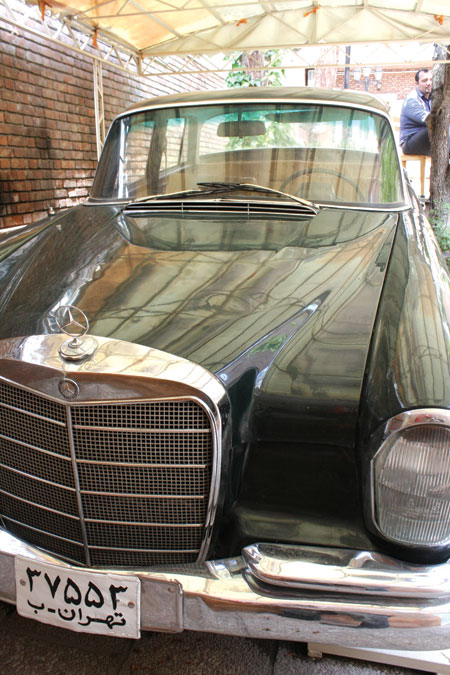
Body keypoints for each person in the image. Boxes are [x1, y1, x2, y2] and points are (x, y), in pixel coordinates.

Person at [399, 68, 432, 156]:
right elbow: (429, 121)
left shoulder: (434, 97)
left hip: (426, 137)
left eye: (430, 80)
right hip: (410, 142)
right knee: (435, 129)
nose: (428, 83)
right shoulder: (412, 99)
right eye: (424, 80)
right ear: (416, 83)